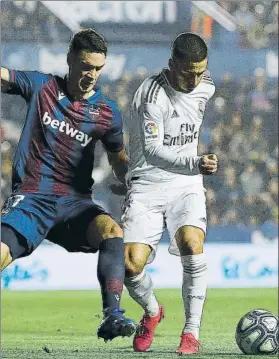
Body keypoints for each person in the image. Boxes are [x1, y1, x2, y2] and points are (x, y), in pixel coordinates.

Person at [0, 28, 137, 342]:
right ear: (70, 60)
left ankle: (113, 316)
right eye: (86, 66)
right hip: (32, 198)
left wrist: (133, 181)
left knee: (112, 231)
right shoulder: (43, 87)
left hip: (74, 205)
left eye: (98, 68)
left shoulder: (107, 113)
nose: (92, 74)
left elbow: (118, 160)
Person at [122, 33, 218, 354]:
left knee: (193, 245)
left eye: (200, 72)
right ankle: (152, 311)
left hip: (185, 183)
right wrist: (196, 160)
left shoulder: (207, 86)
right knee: (131, 266)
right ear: (171, 64)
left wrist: (192, 166)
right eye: (187, 72)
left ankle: (190, 333)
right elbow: (152, 151)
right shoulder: (151, 96)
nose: (194, 79)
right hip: (148, 182)